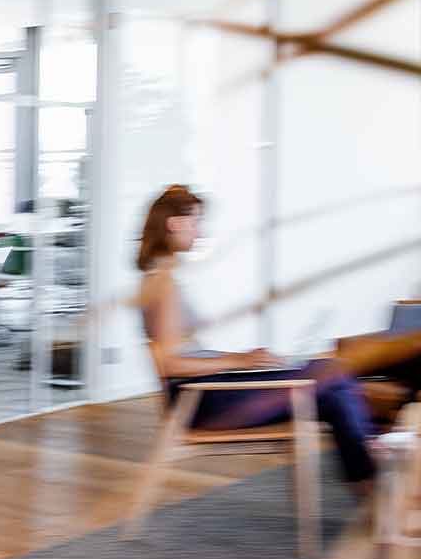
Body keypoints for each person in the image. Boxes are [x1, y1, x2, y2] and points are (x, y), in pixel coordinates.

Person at [137, 185, 376, 491]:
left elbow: (181, 353)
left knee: (333, 386)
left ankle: (371, 480)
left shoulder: (158, 279)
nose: (199, 232)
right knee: (334, 375)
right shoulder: (164, 284)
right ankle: (375, 479)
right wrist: (240, 360)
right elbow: (172, 364)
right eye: (195, 222)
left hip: (207, 393)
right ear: (174, 224)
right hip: (205, 403)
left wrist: (246, 363)